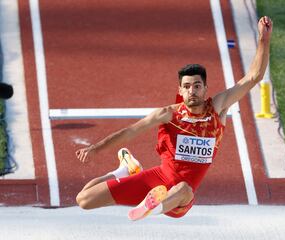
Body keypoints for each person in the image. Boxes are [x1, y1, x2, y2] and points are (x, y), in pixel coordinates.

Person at [76, 16, 273, 221]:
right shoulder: (168, 114)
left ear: (205, 88)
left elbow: (253, 77)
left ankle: (150, 207)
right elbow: (130, 132)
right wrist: (95, 148)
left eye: (197, 86)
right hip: (157, 179)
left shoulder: (217, 108)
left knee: (184, 188)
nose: (192, 91)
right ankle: (125, 171)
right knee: (84, 199)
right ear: (180, 90)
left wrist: (263, 39)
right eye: (187, 87)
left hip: (180, 198)